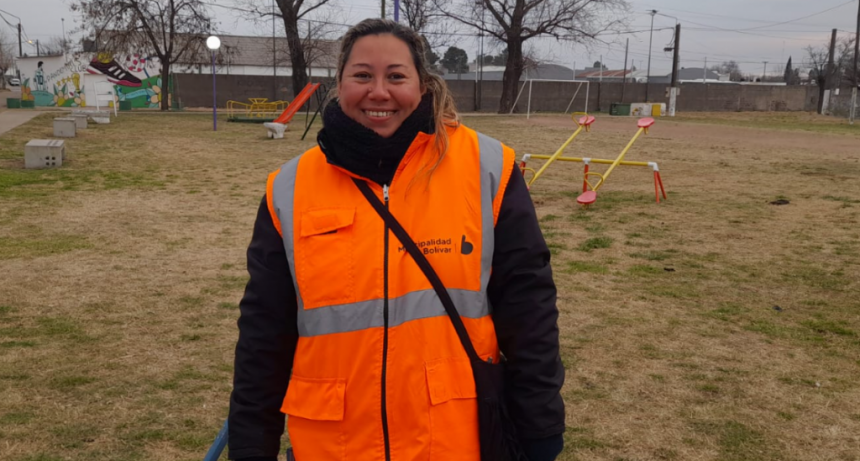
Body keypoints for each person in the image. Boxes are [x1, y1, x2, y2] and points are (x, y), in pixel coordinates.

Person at [228, 18, 564, 461]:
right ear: (340, 83)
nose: (379, 92)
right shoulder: (289, 189)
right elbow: (263, 332)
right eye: (362, 75)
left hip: (452, 439)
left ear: (422, 85)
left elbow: (529, 307)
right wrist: (252, 444)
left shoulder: (488, 169)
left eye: (396, 76)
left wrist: (539, 422)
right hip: (333, 445)